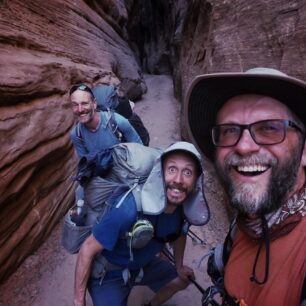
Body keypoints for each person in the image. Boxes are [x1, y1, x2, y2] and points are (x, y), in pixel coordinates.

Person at [185, 67, 306, 306]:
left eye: (269, 128)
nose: (244, 146)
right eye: (229, 131)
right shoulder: (247, 222)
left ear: (304, 151)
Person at [72, 141, 210, 306]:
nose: (178, 180)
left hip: (142, 265)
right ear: (161, 174)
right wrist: (78, 301)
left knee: (181, 279)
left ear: (195, 182)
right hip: (109, 273)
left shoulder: (183, 210)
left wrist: (179, 266)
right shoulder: (128, 208)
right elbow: (87, 249)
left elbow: (181, 233)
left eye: (187, 172)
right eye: (172, 169)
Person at [69, 84, 143, 201]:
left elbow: (140, 150)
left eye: (84, 103)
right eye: (75, 105)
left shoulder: (117, 121)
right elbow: (87, 164)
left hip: (127, 172)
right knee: (80, 195)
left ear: (94, 103)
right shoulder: (77, 134)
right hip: (103, 176)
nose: (80, 109)